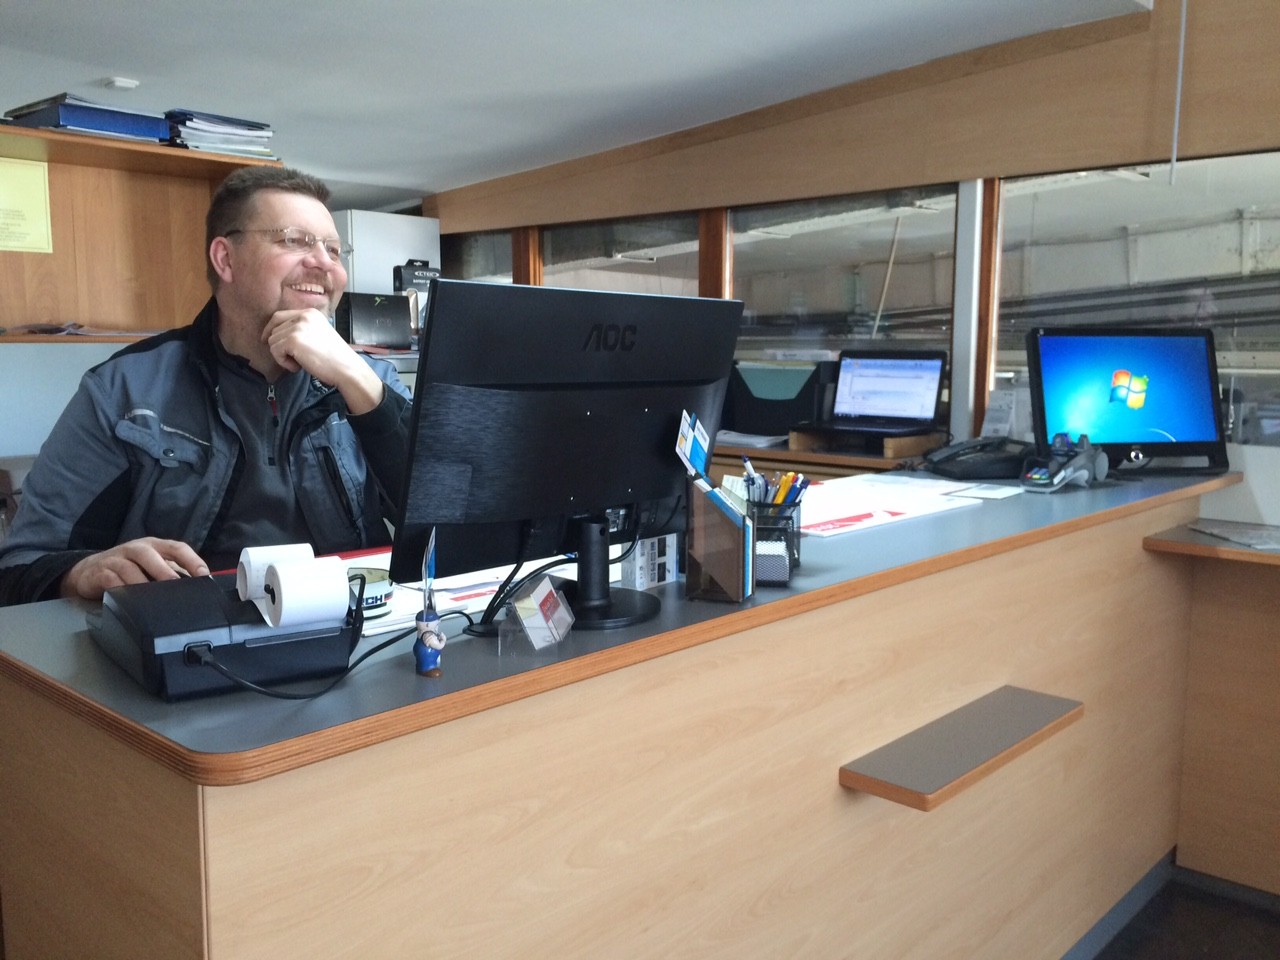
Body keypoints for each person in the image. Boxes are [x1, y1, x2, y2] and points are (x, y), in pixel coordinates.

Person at [0, 166, 411, 606]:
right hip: (190, 629)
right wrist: (82, 572)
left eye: (333, 249)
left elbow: (450, 524)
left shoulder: (372, 382)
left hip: (359, 623)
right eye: (295, 240)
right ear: (225, 259)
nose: (324, 263)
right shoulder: (122, 391)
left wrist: (359, 382)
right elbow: (20, 567)